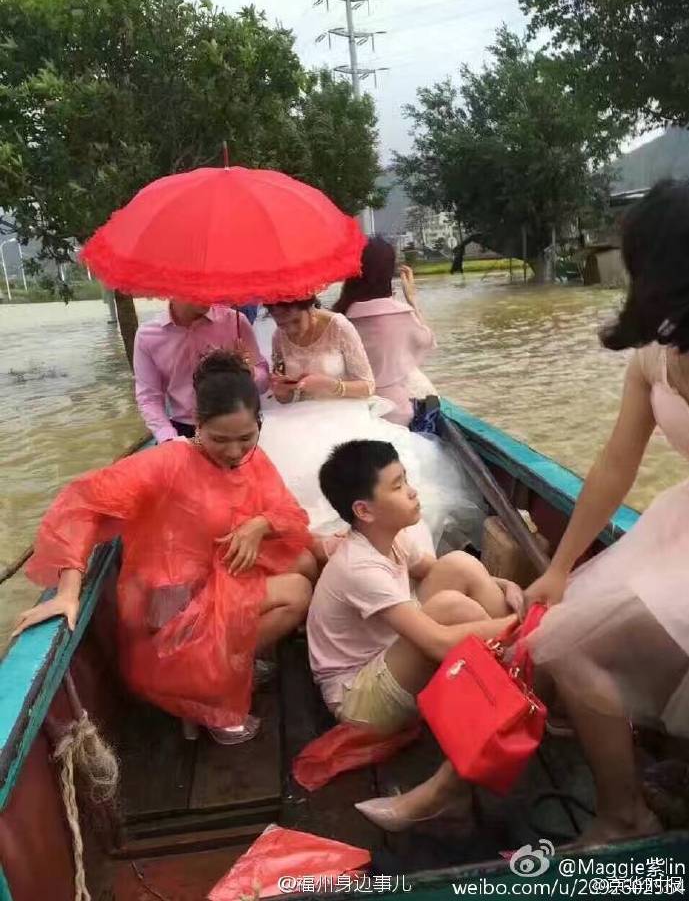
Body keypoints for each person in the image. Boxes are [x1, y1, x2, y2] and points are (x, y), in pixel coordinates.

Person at [13, 351, 314, 745]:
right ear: (197, 425)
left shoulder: (251, 459)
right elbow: (82, 504)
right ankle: (206, 682)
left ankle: (224, 664)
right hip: (170, 602)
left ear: (258, 425)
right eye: (219, 439)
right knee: (298, 591)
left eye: (245, 438)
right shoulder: (167, 462)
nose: (234, 452)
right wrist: (68, 591)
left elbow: (289, 512)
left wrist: (261, 524)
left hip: (215, 578)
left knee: (304, 558)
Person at [524, 180, 689, 844]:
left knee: (574, 642)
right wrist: (560, 567)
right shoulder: (655, 352)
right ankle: (627, 810)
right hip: (682, 528)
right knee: (560, 632)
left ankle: (629, 810)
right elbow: (616, 466)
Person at [307, 439, 518, 830]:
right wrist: (520, 625)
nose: (413, 491)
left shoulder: (390, 538)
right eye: (398, 485)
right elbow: (436, 641)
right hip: (357, 699)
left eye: (406, 479)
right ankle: (513, 670)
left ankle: (514, 672)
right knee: (451, 612)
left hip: (384, 657)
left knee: (460, 564)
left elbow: (441, 569)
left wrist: (503, 585)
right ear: (364, 511)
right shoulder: (360, 567)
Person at [261, 300, 485, 545]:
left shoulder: (338, 326)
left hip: (344, 412)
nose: (290, 330)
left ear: (307, 306)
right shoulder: (278, 336)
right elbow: (286, 392)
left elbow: (367, 386)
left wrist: (329, 385)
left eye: (294, 321)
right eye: (279, 321)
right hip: (297, 417)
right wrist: (282, 391)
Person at [333, 237, 437, 426]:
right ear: (388, 272)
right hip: (396, 414)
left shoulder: (338, 316)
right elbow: (427, 340)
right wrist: (412, 300)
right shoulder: (401, 314)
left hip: (350, 411)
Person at [133, 301, 269, 442]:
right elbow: (149, 397)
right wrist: (168, 437)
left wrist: (250, 372)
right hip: (182, 429)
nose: (208, 295)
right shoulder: (148, 336)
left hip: (234, 428)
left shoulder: (235, 322)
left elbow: (264, 384)